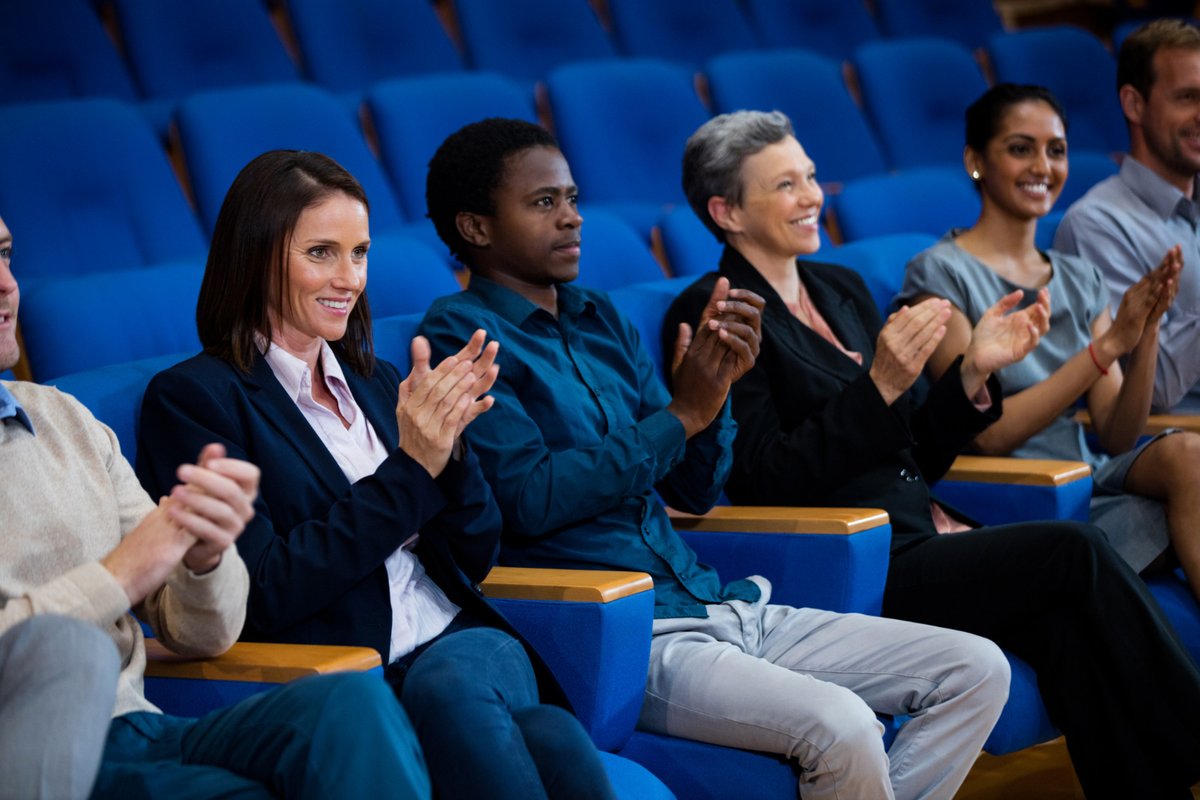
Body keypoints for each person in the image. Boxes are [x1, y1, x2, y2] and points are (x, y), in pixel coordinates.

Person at [419, 117, 1011, 800]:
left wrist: (716, 392)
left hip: (714, 600)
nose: (573, 219)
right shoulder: (459, 336)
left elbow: (696, 491)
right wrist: (683, 414)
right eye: (544, 203)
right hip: (622, 634)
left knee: (974, 669)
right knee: (845, 726)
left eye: (574, 199)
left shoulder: (599, 317)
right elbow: (530, 497)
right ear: (476, 228)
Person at [664, 108, 1200, 799]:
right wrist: (881, 384)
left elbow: (919, 449)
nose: (812, 197)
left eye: (812, 177)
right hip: (850, 561)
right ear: (725, 211)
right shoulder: (717, 313)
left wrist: (972, 373)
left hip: (920, 530)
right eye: (786, 186)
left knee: (1064, 621)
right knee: (1075, 551)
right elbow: (767, 478)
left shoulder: (841, 288)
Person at [136, 150, 617, 800]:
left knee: (452, 692)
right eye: (321, 253)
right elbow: (265, 591)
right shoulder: (196, 400)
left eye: (359, 253)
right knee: (553, 742)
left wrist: (449, 451)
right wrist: (412, 468)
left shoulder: (377, 381)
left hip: (460, 644)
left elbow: (475, 552)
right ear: (255, 257)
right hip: (347, 671)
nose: (348, 278)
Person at [0, 213, 431, 799]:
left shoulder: (63, 418)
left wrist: (205, 560)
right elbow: (92, 609)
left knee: (350, 703)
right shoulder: (195, 395)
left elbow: (204, 632)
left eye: (4, 256)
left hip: (141, 725)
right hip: (29, 751)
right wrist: (119, 576)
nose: (6, 284)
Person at [900, 83, 1200, 603]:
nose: (1043, 166)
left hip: (1089, 479)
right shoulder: (939, 272)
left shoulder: (1078, 276)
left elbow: (1118, 433)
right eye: (1021, 148)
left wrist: (1144, 329)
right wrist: (1103, 351)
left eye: (1055, 150)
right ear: (976, 161)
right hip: (1014, 492)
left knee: (1190, 457)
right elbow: (986, 436)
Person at [1055, 18, 1200, 412]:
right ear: (1134, 104)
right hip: (1175, 441)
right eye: (1187, 97)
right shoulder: (1096, 224)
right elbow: (1148, 394)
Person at [0, 615, 119, 799]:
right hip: (31, 713)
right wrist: (119, 589)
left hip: (131, 715)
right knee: (82, 646)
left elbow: (173, 627)